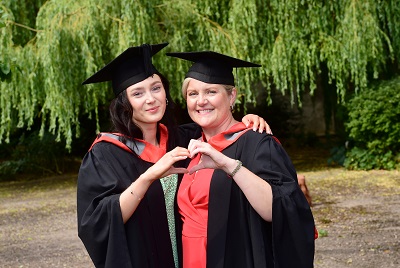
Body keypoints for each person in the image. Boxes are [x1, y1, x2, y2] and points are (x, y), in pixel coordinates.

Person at [77, 43, 271, 268]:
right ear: (124, 104)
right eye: (138, 93)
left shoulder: (184, 138)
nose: (151, 99)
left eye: (156, 88)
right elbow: (96, 222)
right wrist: (147, 178)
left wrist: (248, 117)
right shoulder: (105, 153)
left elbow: (219, 123)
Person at [167, 51, 316, 268]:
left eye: (211, 91)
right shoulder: (187, 144)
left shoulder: (256, 143)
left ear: (232, 96)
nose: (201, 101)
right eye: (192, 94)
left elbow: (280, 208)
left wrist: (230, 166)